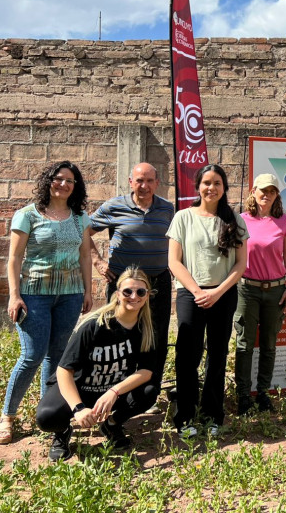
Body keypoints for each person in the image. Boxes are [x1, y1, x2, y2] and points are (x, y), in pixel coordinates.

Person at [0, 161, 93, 445]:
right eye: (59, 179)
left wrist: (87, 290)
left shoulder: (80, 218)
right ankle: (7, 417)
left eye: (70, 181)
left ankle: (47, 414)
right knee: (32, 356)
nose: (64, 184)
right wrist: (14, 295)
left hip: (70, 295)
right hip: (34, 294)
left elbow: (85, 256)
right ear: (48, 181)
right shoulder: (27, 215)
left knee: (58, 358)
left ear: (76, 187)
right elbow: (14, 258)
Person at [35, 267, 158, 461]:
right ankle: (62, 433)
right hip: (80, 389)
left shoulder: (146, 328)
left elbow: (146, 372)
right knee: (47, 417)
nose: (134, 296)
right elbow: (64, 370)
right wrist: (78, 409)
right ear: (117, 294)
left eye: (140, 292)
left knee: (149, 392)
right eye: (128, 291)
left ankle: (111, 424)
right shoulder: (95, 325)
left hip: (109, 392)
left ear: (147, 296)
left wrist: (113, 392)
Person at [166, 164, 248, 435]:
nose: (211, 188)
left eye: (217, 183)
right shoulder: (183, 217)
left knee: (218, 355)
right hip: (191, 295)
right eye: (206, 183)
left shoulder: (234, 219)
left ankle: (213, 414)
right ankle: (185, 416)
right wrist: (198, 291)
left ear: (224, 188)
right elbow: (174, 262)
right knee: (187, 355)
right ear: (198, 186)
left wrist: (217, 292)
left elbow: (240, 264)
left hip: (223, 295)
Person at [89, 163, 174, 404]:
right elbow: (83, 231)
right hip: (123, 287)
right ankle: (116, 391)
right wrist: (98, 262)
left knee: (156, 337)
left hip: (158, 284)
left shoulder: (167, 209)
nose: (144, 186)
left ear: (157, 183)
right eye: (139, 180)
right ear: (130, 182)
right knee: (117, 336)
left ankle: (149, 393)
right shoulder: (113, 207)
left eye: (149, 181)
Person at [234, 174, 286, 416]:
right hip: (247, 289)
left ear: (276, 195)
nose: (266, 195)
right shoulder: (241, 220)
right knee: (244, 344)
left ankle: (262, 394)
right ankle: (242, 396)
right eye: (262, 190)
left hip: (276, 290)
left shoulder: (284, 222)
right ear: (253, 191)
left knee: (269, 344)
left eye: (271, 190)